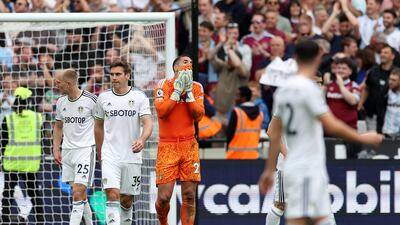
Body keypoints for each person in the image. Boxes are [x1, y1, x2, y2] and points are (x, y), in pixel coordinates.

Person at [259, 40, 383, 225]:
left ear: (295, 58)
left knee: (306, 217)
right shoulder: (310, 90)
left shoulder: (283, 92)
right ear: (318, 57)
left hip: (293, 168)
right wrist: (363, 137)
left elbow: (272, 131)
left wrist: (269, 170)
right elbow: (332, 126)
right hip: (307, 166)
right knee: (316, 216)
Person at [94, 60, 153, 225]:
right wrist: (101, 153)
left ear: (127, 75)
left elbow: (148, 123)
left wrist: (142, 139)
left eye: (118, 74)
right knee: (112, 195)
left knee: (126, 200)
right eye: (112, 74)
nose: (114, 78)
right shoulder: (103, 98)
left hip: (132, 156)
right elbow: (98, 127)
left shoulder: (139, 97)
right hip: (110, 155)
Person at [154, 55, 204, 225]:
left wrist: (188, 92)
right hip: (167, 146)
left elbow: (198, 116)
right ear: (175, 67)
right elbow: (162, 112)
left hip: (189, 145)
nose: (189, 64)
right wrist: (177, 91)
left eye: (191, 63)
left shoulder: (196, 87)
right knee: (163, 198)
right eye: (185, 62)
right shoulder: (163, 85)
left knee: (189, 195)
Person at [52, 69, 96, 225]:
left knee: (78, 193)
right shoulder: (61, 102)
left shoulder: (92, 100)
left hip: (85, 151)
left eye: (58, 82)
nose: (56, 84)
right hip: (67, 153)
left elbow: (103, 124)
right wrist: (56, 148)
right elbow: (58, 126)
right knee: (80, 195)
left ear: (68, 84)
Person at [0, 87, 45, 224]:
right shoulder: (38, 118)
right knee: (34, 194)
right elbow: (42, 139)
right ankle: (40, 221)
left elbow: (3, 141)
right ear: (28, 101)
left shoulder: (8, 119)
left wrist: (4, 156)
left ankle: (5, 219)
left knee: (8, 193)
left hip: (12, 162)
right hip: (30, 163)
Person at [226, 86, 264, 159]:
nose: (235, 98)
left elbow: (229, 134)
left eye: (237, 96)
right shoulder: (260, 113)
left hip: (235, 156)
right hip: (252, 156)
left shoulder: (236, 112)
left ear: (243, 98)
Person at [382, 68, 400, 137]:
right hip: (388, 130)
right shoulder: (385, 92)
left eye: (394, 80)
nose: (390, 82)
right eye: (390, 79)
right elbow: (380, 107)